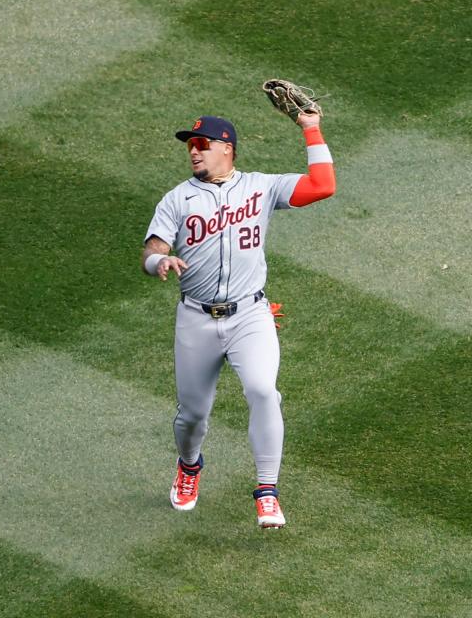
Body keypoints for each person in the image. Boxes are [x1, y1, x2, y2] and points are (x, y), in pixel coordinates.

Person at [141, 110, 335, 528]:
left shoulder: (261, 187)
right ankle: (189, 466)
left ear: (226, 148)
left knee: (264, 391)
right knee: (192, 415)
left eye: (202, 145)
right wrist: (159, 260)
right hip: (196, 319)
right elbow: (151, 248)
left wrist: (310, 128)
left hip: (250, 314)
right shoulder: (177, 198)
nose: (193, 152)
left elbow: (323, 185)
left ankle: (267, 492)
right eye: (190, 146)